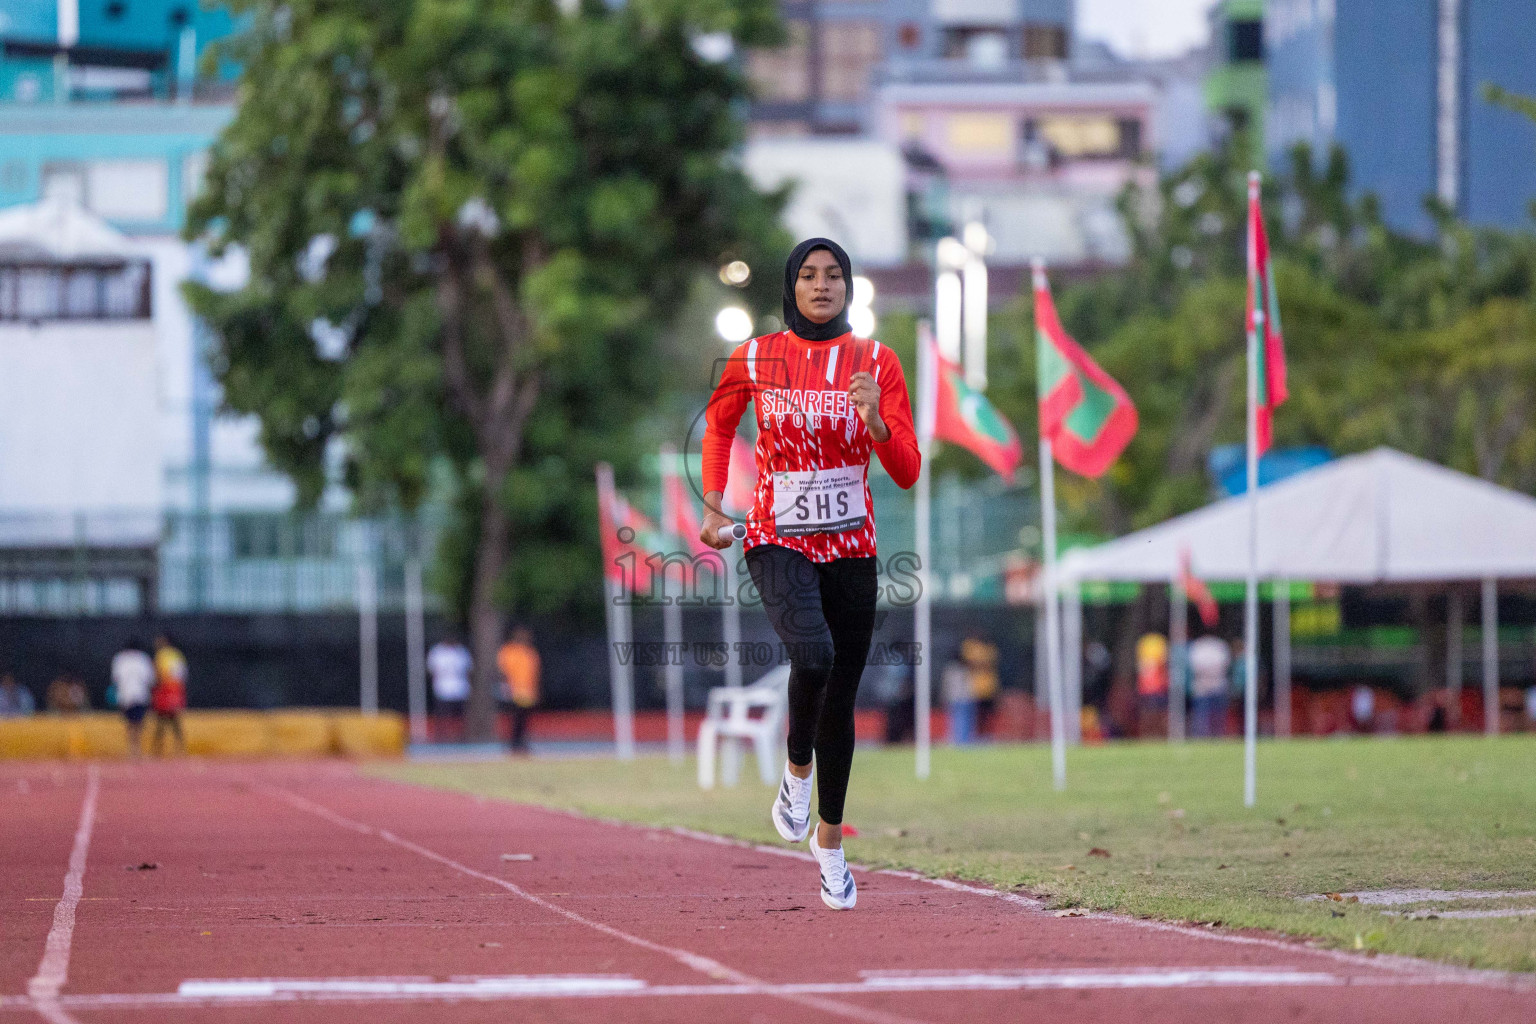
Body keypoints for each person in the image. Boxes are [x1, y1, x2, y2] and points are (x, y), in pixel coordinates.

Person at [700, 237, 920, 910]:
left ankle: (830, 843)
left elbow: (908, 470)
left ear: (849, 287)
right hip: (776, 538)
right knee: (815, 658)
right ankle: (795, 772)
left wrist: (877, 420)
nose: (821, 285)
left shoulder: (877, 362)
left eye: (833, 276)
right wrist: (713, 505)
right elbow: (717, 427)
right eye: (807, 274)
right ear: (790, 286)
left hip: (852, 547)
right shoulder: (757, 356)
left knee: (841, 698)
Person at [497, 626, 540, 754]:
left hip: (528, 691)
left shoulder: (530, 652)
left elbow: (535, 673)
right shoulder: (508, 651)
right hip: (514, 690)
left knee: (524, 718)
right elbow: (502, 671)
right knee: (516, 718)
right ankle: (514, 743)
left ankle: (520, 742)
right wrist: (506, 688)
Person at [111, 640, 155, 757]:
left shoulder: (120, 659)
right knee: (138, 723)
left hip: (125, 696)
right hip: (140, 695)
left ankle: (132, 750)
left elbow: (115, 679)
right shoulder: (143, 659)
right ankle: (137, 750)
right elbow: (150, 679)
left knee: (130, 723)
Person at [427, 635, 472, 741]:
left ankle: (460, 736)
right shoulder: (437, 651)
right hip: (442, 686)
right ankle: (441, 736)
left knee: (460, 714)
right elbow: (431, 670)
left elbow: (469, 670)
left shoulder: (461, 651)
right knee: (442, 713)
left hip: (460, 687)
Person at [1187, 633, 1231, 738]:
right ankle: (1201, 737)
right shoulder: (1198, 646)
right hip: (1202, 687)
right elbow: (1194, 667)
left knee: (1218, 716)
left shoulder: (1219, 645)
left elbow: (1225, 665)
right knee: (1201, 716)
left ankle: (1218, 736)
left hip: (1217, 685)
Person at [150, 634, 188, 755]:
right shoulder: (177, 654)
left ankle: (158, 750)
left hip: (166, 689)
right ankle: (179, 748)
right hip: (176, 688)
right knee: (173, 719)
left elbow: (158, 674)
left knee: (163, 720)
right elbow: (183, 674)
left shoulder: (162, 655)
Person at [961, 633, 1000, 738]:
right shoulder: (970, 646)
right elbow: (970, 663)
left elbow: (990, 663)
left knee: (987, 715)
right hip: (974, 687)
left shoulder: (990, 648)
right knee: (975, 715)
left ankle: (986, 735)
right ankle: (974, 736)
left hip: (989, 687)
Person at [1136, 631, 1170, 736]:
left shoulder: (1149, 643)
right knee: (1150, 717)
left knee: (1157, 716)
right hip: (1150, 688)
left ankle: (1158, 737)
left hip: (1156, 688)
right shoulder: (1148, 643)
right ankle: (1150, 737)